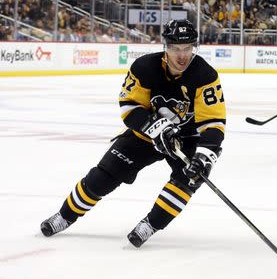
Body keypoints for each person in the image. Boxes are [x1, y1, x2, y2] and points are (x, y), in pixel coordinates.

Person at [40, 19, 226, 248]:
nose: (182, 56)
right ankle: (65, 216)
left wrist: (204, 156)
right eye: (176, 49)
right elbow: (129, 107)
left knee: (188, 179)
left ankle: (150, 224)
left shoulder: (205, 75)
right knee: (103, 176)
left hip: (187, 140)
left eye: (188, 48)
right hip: (146, 133)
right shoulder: (145, 67)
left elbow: (214, 122)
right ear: (165, 47)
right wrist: (158, 128)